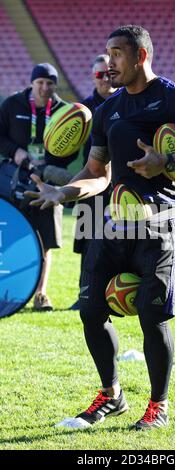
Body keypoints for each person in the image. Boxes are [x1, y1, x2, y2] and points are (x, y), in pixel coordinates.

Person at [26, 26, 175, 430]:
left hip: (162, 220)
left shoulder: (172, 98)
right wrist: (63, 192)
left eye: (117, 55)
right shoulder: (108, 111)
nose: (109, 65)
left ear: (140, 56)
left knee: (151, 314)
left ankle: (158, 404)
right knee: (90, 309)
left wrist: (168, 164)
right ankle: (111, 394)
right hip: (114, 220)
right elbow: (96, 173)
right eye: (107, 55)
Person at [0, 63, 77, 311]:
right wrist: (18, 152)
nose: (44, 88)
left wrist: (52, 163)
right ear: (32, 83)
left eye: (49, 83)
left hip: (47, 184)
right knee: (9, 234)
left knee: (45, 240)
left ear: (55, 86)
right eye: (40, 83)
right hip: (13, 179)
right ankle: (7, 288)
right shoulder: (13, 104)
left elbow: (71, 148)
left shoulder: (63, 112)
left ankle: (41, 294)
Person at [69, 54, 117, 310]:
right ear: (92, 77)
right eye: (99, 74)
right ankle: (84, 295)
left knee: (119, 242)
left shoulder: (127, 103)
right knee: (88, 243)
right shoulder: (83, 111)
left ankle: (116, 296)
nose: (105, 79)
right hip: (92, 185)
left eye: (108, 73)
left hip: (122, 187)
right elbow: (65, 150)